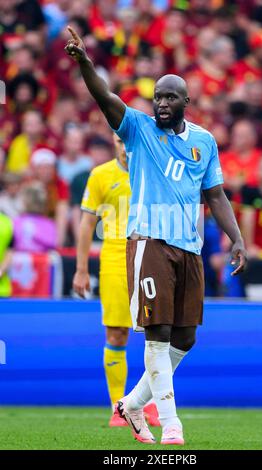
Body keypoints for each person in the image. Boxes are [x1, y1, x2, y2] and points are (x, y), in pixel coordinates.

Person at [65, 26, 247, 446]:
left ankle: (131, 404)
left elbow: (215, 194)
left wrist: (236, 237)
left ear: (186, 102)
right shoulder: (140, 130)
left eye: (170, 98)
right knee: (158, 332)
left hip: (190, 248)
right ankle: (171, 423)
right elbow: (105, 98)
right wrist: (86, 64)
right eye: (158, 98)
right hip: (148, 242)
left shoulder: (204, 141)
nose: (162, 103)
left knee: (186, 337)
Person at [72, 132, 159, 427]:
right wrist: (81, 268)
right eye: (120, 141)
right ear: (113, 142)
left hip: (151, 256)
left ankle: (148, 402)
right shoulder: (100, 175)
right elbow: (86, 222)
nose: (125, 147)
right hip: (113, 258)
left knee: (157, 334)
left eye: (128, 141)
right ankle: (117, 405)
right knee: (117, 333)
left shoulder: (154, 170)